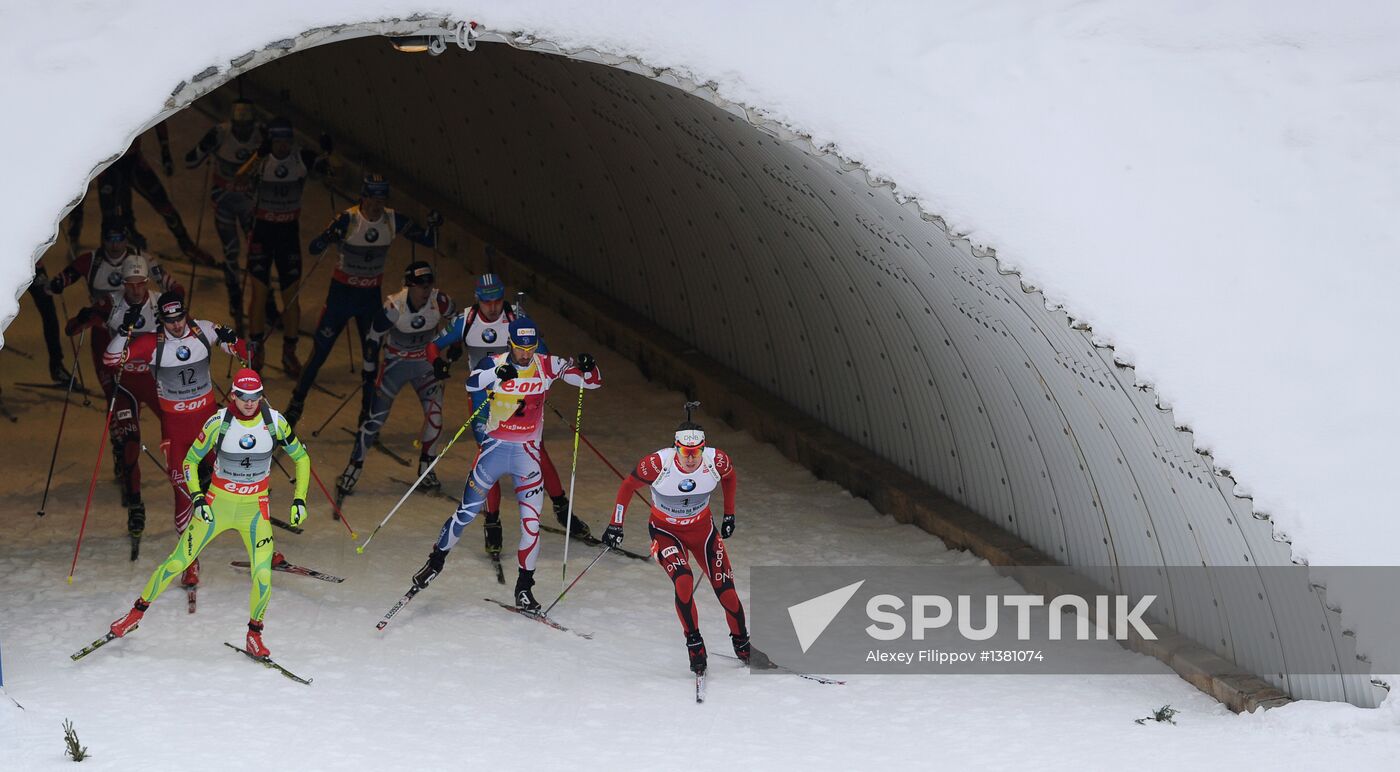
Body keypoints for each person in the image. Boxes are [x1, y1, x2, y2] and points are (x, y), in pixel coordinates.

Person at [107, 368, 311, 657]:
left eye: (255, 397)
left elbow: (301, 458)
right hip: (217, 506)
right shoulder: (219, 422)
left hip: (254, 509)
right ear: (234, 395)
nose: (249, 403)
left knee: (263, 573)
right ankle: (134, 616)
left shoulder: (275, 422)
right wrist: (198, 498)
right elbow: (190, 461)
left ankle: (254, 635)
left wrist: (299, 499)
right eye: (243, 397)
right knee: (177, 563)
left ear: (261, 395)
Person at [410, 317, 600, 611]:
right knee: (466, 512)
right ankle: (435, 562)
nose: (526, 354)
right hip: (494, 451)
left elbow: (591, 383)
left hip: (528, 456)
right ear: (510, 343)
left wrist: (589, 367)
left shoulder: (546, 364)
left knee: (531, 525)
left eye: (531, 348)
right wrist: (498, 374)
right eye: (520, 347)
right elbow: (470, 383)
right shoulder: (493, 362)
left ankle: (524, 588)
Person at [427, 273, 591, 558]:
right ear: (478, 299)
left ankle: (562, 510)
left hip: (519, 397)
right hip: (483, 401)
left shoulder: (517, 317)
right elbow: (432, 346)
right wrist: (437, 364)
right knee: (487, 456)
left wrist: (541, 383)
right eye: (487, 301)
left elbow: (542, 354)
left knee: (536, 450)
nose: (493, 307)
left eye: (497, 300)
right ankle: (492, 523)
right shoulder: (465, 320)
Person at [104, 291, 246, 576]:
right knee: (184, 495)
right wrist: (123, 331)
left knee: (238, 483)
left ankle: (260, 543)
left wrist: (234, 340)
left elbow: (243, 351)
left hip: (209, 427)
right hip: (177, 432)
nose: (177, 325)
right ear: (161, 320)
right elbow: (111, 359)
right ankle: (190, 561)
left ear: (186, 313)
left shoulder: (203, 330)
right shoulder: (152, 343)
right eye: (170, 321)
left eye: (180, 318)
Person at [282, 173, 440, 427]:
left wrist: (433, 224)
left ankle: (367, 413)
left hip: (369, 299)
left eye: (381, 199)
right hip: (341, 297)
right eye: (372, 199)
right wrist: (328, 237)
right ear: (363, 198)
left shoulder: (392, 219)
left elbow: (428, 240)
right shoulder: (349, 219)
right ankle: (296, 403)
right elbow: (314, 248)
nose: (376, 205)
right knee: (320, 352)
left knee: (371, 357)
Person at [603, 419, 747, 676]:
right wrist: (616, 524)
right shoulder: (659, 464)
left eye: (696, 452)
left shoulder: (717, 461)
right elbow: (627, 486)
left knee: (726, 591)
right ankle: (694, 643)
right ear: (675, 448)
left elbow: (730, 478)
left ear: (704, 448)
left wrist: (729, 515)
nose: (691, 459)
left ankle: (742, 644)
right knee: (683, 580)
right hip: (666, 532)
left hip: (703, 532)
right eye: (684, 452)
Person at [65, 255, 170, 547]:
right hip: (123, 383)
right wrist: (84, 319)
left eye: (140, 284)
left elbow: (183, 323)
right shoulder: (111, 303)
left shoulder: (159, 302)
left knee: (178, 429)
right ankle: (136, 504)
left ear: (147, 282)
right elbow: (72, 329)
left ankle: (203, 478)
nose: (136, 290)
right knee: (130, 442)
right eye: (130, 284)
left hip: (153, 379)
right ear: (123, 283)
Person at [336, 261, 455, 501]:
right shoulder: (394, 307)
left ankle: (426, 469)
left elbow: (459, 321)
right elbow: (373, 338)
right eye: (420, 285)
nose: (425, 290)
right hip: (396, 367)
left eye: (428, 284)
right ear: (408, 285)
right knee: (375, 420)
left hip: (425, 365)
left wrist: (452, 349)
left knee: (435, 416)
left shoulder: (439, 301)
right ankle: (353, 467)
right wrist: (369, 372)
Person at [233, 116, 330, 376]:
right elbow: (239, 180)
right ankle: (256, 352)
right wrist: (257, 155)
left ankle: (289, 352)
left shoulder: (301, 158)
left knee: (291, 297)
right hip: (263, 232)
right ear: (271, 141)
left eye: (287, 141)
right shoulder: (262, 160)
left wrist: (327, 153)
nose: (284, 146)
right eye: (279, 142)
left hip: (288, 233)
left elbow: (331, 173)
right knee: (259, 294)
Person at [66, 122, 214, 265]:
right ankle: (76, 232)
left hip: (132, 160)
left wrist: (165, 152)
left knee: (163, 204)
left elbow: (157, 116)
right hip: (109, 165)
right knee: (109, 216)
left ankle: (185, 244)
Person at [185, 99, 265, 333]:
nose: (243, 131)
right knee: (232, 252)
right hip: (225, 202)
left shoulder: (261, 133)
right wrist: (207, 147)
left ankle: (264, 303)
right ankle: (235, 301)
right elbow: (191, 160)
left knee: (258, 252)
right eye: (239, 126)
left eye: (246, 127)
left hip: (250, 203)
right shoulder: (221, 132)